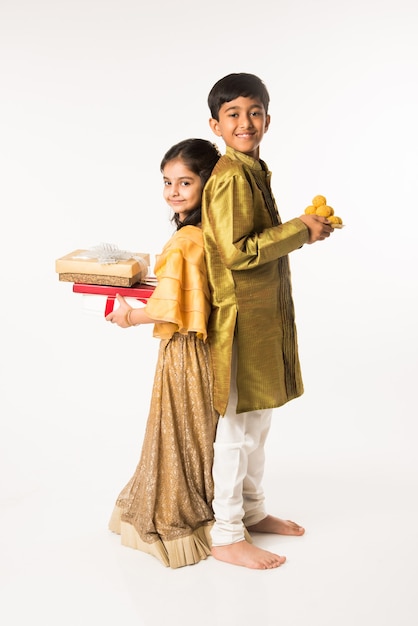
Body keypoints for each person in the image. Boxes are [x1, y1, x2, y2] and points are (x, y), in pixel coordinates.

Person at [201, 72, 334, 570]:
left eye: (254, 112)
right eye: (233, 114)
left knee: (258, 422)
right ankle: (226, 532)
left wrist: (303, 229)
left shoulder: (255, 169)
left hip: (262, 317)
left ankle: (252, 512)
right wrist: (300, 228)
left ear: (268, 119)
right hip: (237, 322)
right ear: (215, 124)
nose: (245, 122)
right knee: (236, 429)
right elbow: (236, 253)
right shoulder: (232, 175)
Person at [106, 138, 221, 568]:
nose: (173, 191)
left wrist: (126, 316)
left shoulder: (184, 241)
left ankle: (177, 512)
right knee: (197, 432)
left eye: (185, 182)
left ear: (206, 184)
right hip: (209, 346)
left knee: (176, 431)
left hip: (185, 350)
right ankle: (209, 503)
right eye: (167, 182)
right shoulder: (211, 231)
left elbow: (166, 308)